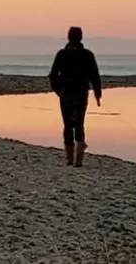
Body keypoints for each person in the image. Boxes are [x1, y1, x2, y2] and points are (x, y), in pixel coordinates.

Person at [48, 26, 102, 167]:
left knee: (67, 125)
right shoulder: (87, 54)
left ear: (68, 37)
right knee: (79, 124)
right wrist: (97, 93)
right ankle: (78, 159)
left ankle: (69, 158)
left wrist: (58, 90)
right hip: (80, 93)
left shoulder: (61, 54)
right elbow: (95, 76)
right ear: (81, 37)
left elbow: (53, 75)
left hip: (65, 93)